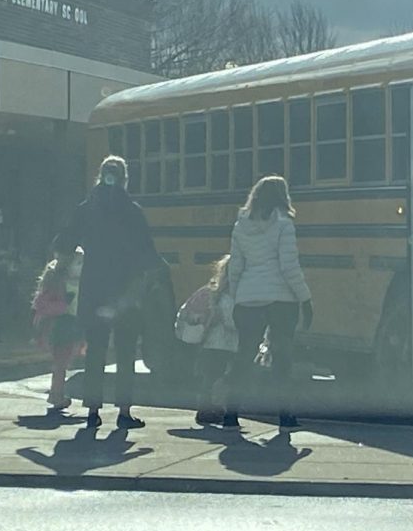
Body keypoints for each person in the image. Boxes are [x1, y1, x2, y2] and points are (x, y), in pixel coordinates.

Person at [53, 156, 160, 429]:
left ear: (99, 176)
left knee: (96, 352)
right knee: (126, 353)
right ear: (125, 178)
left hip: (94, 288)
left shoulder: (87, 208)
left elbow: (64, 242)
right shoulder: (132, 210)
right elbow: (148, 253)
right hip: (126, 291)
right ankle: (124, 413)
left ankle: (92, 412)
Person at [225, 175, 313, 430]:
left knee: (244, 355)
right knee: (282, 358)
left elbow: (235, 267)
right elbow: (289, 267)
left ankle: (231, 412)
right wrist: (305, 298)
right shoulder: (284, 225)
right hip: (281, 300)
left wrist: (235, 296)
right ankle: (285, 415)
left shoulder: (240, 226)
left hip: (248, 299)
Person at [175, 255, 238, 426]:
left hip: (209, 342)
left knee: (209, 377)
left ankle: (207, 408)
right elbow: (231, 321)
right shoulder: (231, 296)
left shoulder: (213, 291)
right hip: (225, 344)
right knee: (219, 378)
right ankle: (210, 409)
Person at [32, 247, 87, 411]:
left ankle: (57, 393)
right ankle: (56, 394)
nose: (81, 266)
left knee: (65, 361)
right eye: (77, 263)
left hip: (75, 324)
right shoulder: (58, 283)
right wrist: (64, 305)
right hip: (62, 324)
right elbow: (42, 303)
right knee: (61, 362)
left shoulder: (81, 283)